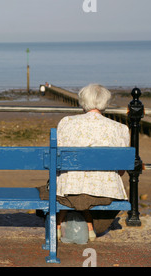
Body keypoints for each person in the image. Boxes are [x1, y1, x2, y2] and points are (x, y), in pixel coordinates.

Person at [55, 83, 130, 241]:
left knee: (59, 187)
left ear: (83, 102)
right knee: (86, 192)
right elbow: (122, 170)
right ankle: (89, 226)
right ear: (105, 103)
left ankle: (59, 225)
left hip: (69, 190)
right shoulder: (120, 128)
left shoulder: (66, 123)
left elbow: (58, 160)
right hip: (106, 192)